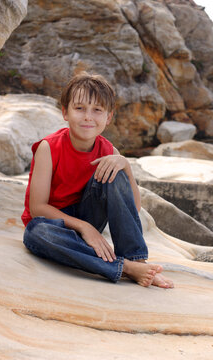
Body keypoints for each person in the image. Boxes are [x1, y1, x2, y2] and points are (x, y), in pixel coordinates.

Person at [21, 72, 174, 289]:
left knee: (115, 168)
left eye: (97, 110)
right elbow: (37, 208)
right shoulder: (49, 148)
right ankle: (126, 268)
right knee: (36, 232)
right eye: (80, 108)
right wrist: (85, 228)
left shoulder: (109, 150)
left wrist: (127, 167)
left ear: (108, 117)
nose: (87, 117)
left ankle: (137, 260)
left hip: (89, 214)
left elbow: (134, 208)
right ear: (65, 112)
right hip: (54, 224)